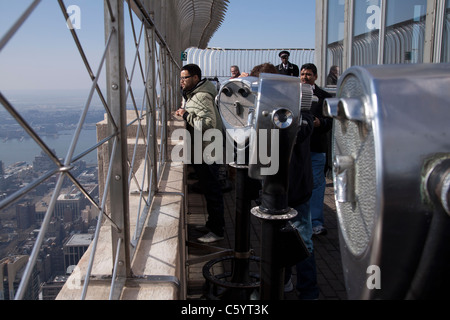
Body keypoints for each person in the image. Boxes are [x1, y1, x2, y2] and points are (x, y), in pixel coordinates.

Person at [249, 63, 319, 299]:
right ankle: (284, 280)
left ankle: (309, 292)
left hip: (296, 189)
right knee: (277, 239)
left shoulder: (300, 106)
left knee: (303, 243)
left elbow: (300, 132)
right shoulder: (260, 111)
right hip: (272, 189)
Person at [175, 64, 225, 243]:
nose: (181, 81)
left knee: (212, 190)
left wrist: (186, 115)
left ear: (195, 78)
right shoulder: (196, 94)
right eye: (181, 78)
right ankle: (212, 225)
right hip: (206, 148)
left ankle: (217, 230)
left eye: (185, 78)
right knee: (210, 189)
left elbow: (208, 125)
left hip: (207, 150)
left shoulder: (201, 96)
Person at [300, 63, 333, 236]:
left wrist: (320, 122)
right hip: (297, 150)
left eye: (309, 74)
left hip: (316, 149)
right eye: (303, 74)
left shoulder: (324, 97)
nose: (305, 77)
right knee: (298, 186)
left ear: (316, 77)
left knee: (317, 186)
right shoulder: (293, 95)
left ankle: (316, 223)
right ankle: (299, 221)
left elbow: (331, 122)